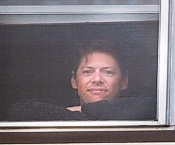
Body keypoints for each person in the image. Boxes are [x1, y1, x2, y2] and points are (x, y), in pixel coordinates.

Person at [6, 40, 156, 121]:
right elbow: (20, 110)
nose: (97, 79)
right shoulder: (60, 110)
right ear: (74, 81)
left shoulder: (142, 110)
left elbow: (151, 106)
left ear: (124, 82)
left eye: (108, 72)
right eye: (87, 72)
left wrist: (85, 110)